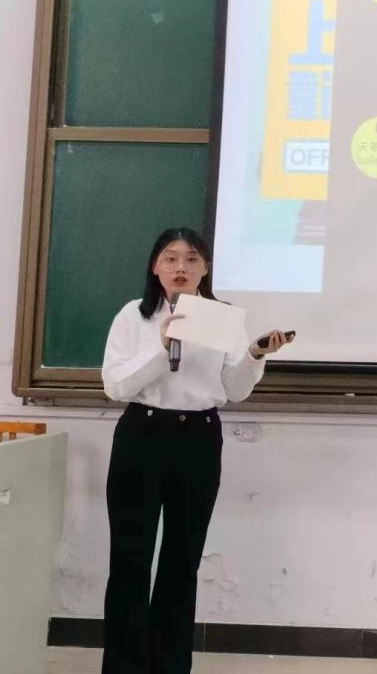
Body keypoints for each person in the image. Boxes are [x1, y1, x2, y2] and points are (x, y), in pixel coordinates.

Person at [99, 227, 290, 674]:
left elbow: (233, 390)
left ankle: (169, 665)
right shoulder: (132, 316)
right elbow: (115, 386)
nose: (180, 267)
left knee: (182, 559)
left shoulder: (223, 320)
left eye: (191, 259)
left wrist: (254, 355)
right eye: (170, 258)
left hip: (198, 441)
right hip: (141, 436)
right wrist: (161, 347)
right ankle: (124, 666)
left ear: (205, 268)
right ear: (155, 267)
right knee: (130, 558)